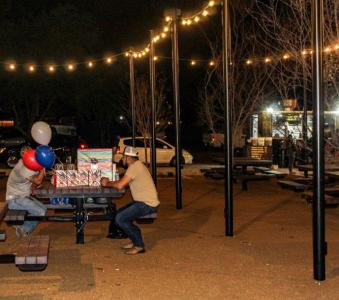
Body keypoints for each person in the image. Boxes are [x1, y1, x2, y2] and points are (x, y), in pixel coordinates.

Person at [100, 146, 159, 255]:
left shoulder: (134, 167)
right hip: (143, 201)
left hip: (147, 204)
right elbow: (122, 182)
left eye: (123, 157)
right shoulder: (137, 166)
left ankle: (139, 246)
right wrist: (113, 182)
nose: (122, 159)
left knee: (120, 219)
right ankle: (135, 239)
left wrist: (107, 183)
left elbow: (120, 185)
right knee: (119, 214)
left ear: (127, 158)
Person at [6, 146, 47, 238]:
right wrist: (43, 168)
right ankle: (24, 228)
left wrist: (33, 187)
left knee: (44, 209)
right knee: (40, 212)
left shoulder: (30, 164)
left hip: (22, 196)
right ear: (23, 156)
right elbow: (38, 181)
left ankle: (21, 226)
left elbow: (33, 182)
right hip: (15, 199)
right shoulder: (22, 167)